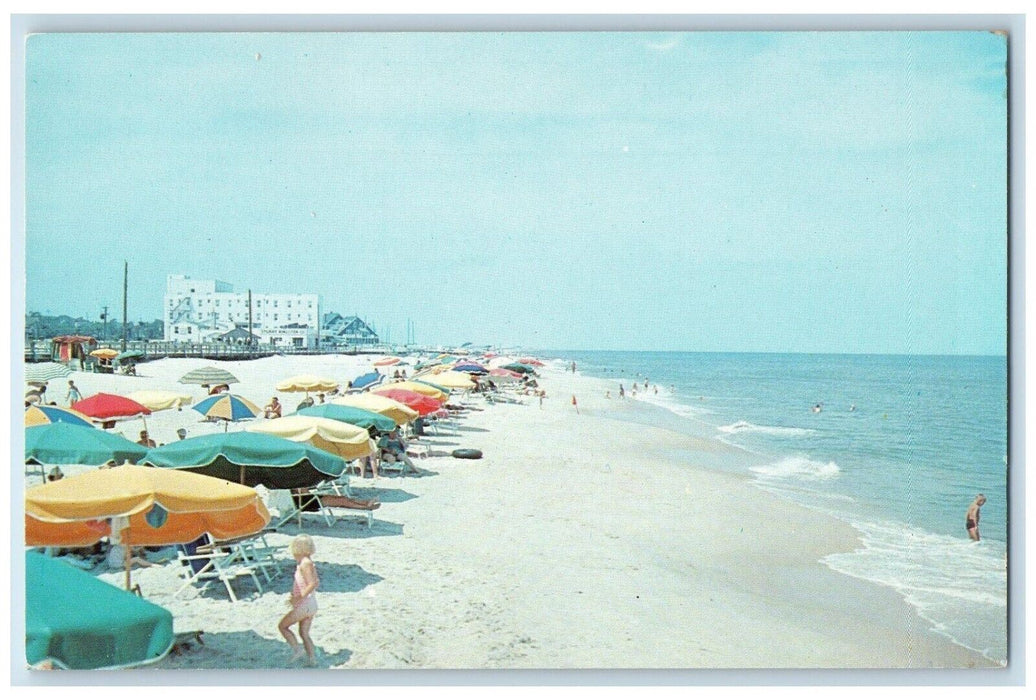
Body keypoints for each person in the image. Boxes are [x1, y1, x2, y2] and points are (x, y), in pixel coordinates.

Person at [279, 534, 319, 666]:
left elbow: (312, 583)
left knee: (283, 626)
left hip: (304, 603)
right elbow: (315, 581)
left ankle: (297, 650)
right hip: (310, 603)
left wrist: (298, 598)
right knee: (304, 633)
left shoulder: (305, 563)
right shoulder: (308, 562)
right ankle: (312, 659)